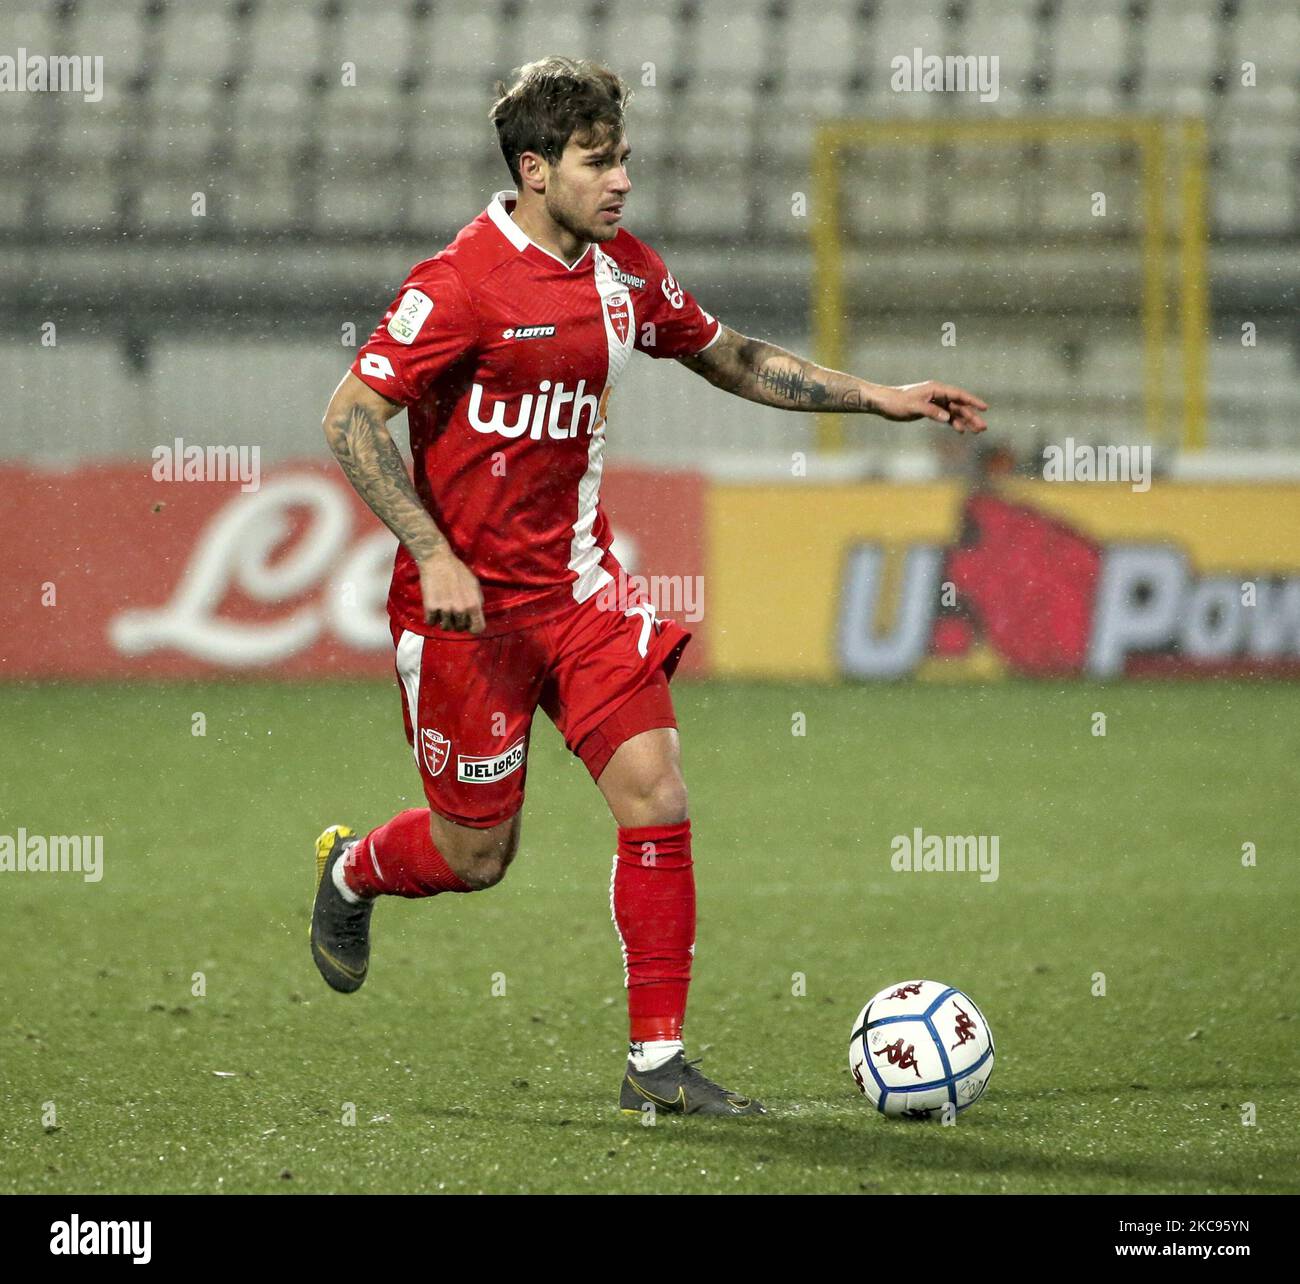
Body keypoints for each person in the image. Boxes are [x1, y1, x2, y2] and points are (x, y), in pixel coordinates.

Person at [312, 55, 988, 1118]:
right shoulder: (458, 285)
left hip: (580, 595)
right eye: (596, 162)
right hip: (466, 617)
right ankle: (355, 871)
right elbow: (349, 418)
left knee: (657, 793)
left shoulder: (624, 269)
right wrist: (433, 550)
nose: (620, 179)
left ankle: (656, 1065)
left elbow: (728, 354)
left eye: (623, 157)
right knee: (475, 852)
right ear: (534, 170)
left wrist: (880, 398)